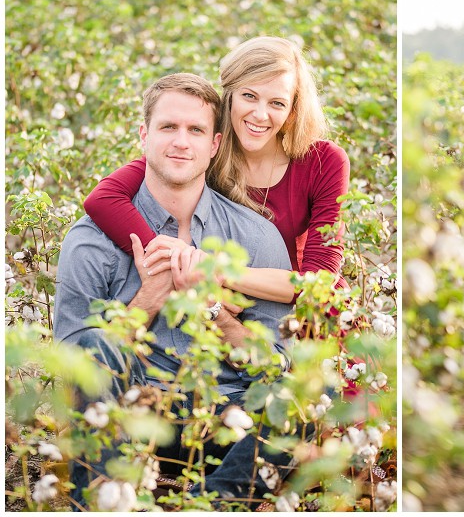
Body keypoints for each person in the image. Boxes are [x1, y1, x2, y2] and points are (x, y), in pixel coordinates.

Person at [54, 73, 296, 509]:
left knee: (312, 397)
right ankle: (103, 505)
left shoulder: (256, 237)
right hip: (135, 416)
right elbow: (74, 365)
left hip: (230, 420)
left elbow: (273, 369)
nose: (181, 142)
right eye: (168, 127)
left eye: (196, 130)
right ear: (144, 135)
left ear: (216, 144)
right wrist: (149, 297)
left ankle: (215, 503)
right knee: (94, 342)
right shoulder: (91, 240)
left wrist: (213, 311)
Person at [83, 36, 350, 304]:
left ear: (293, 111)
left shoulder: (323, 162)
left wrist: (210, 271)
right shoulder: (202, 150)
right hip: (231, 308)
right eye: (249, 96)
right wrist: (172, 260)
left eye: (277, 103)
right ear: (229, 97)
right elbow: (103, 199)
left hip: (308, 315)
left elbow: (318, 284)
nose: (260, 114)